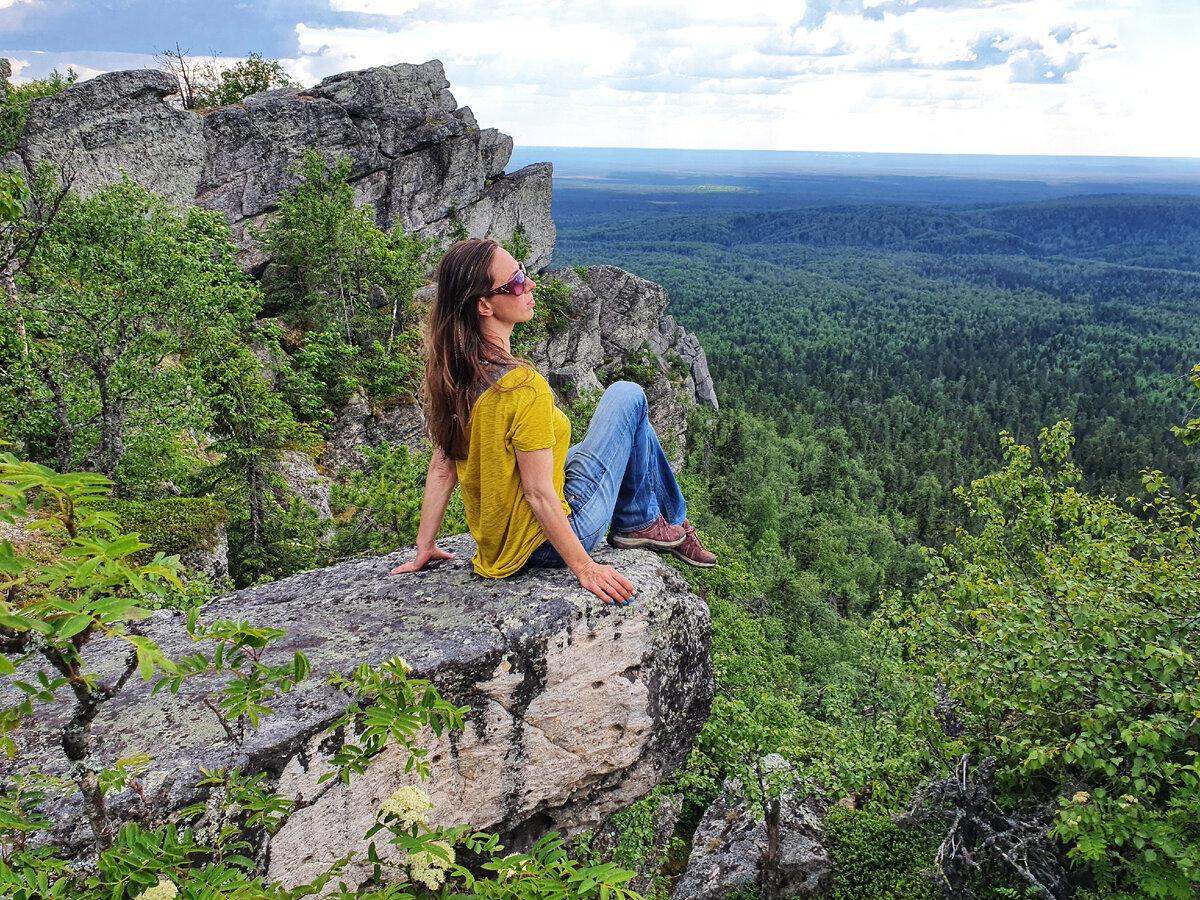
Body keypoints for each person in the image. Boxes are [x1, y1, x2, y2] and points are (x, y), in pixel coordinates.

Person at [389, 238, 715, 605]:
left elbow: (442, 467)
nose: (529, 285)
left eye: (523, 272)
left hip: (501, 544)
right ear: (484, 305)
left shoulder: (454, 372)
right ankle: (659, 522)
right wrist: (585, 568)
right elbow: (538, 494)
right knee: (628, 396)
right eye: (514, 282)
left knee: (629, 424)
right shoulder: (524, 387)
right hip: (547, 543)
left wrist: (425, 544)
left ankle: (651, 521)